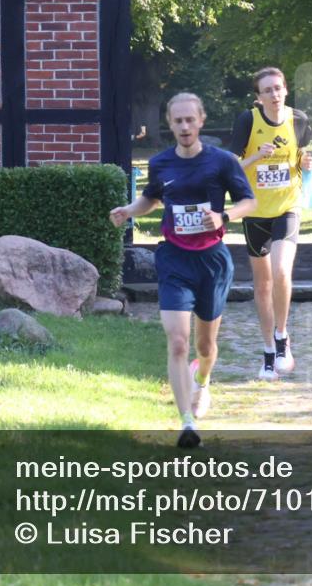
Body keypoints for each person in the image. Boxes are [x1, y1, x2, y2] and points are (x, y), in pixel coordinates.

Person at [110, 93, 256, 448]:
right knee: (177, 341)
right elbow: (152, 198)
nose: (184, 127)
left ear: (201, 121)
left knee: (205, 346)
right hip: (175, 259)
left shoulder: (222, 161)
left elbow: (249, 202)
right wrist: (129, 210)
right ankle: (186, 423)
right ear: (170, 124)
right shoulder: (161, 163)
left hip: (212, 261)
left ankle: (202, 381)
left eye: (190, 120)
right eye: (177, 121)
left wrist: (224, 217)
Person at [229, 67, 312, 380]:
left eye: (279, 88)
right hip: (254, 211)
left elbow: (303, 159)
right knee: (262, 285)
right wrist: (256, 157)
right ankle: (267, 351)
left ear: (286, 90)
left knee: (281, 271)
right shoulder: (247, 121)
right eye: (268, 90)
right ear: (258, 97)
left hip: (287, 207)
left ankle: (282, 337)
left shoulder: (299, 120)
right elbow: (230, 166)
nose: (275, 95)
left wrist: (306, 163)